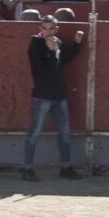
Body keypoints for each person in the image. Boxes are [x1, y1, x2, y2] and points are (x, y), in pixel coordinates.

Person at [23, 12, 80, 182]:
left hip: (58, 95)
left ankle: (66, 167)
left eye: (51, 29)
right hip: (42, 96)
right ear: (40, 29)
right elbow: (44, 69)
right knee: (34, 133)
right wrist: (52, 52)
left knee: (64, 133)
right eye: (45, 29)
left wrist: (76, 44)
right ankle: (27, 169)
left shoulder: (57, 42)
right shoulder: (36, 44)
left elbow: (65, 59)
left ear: (56, 29)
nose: (48, 32)